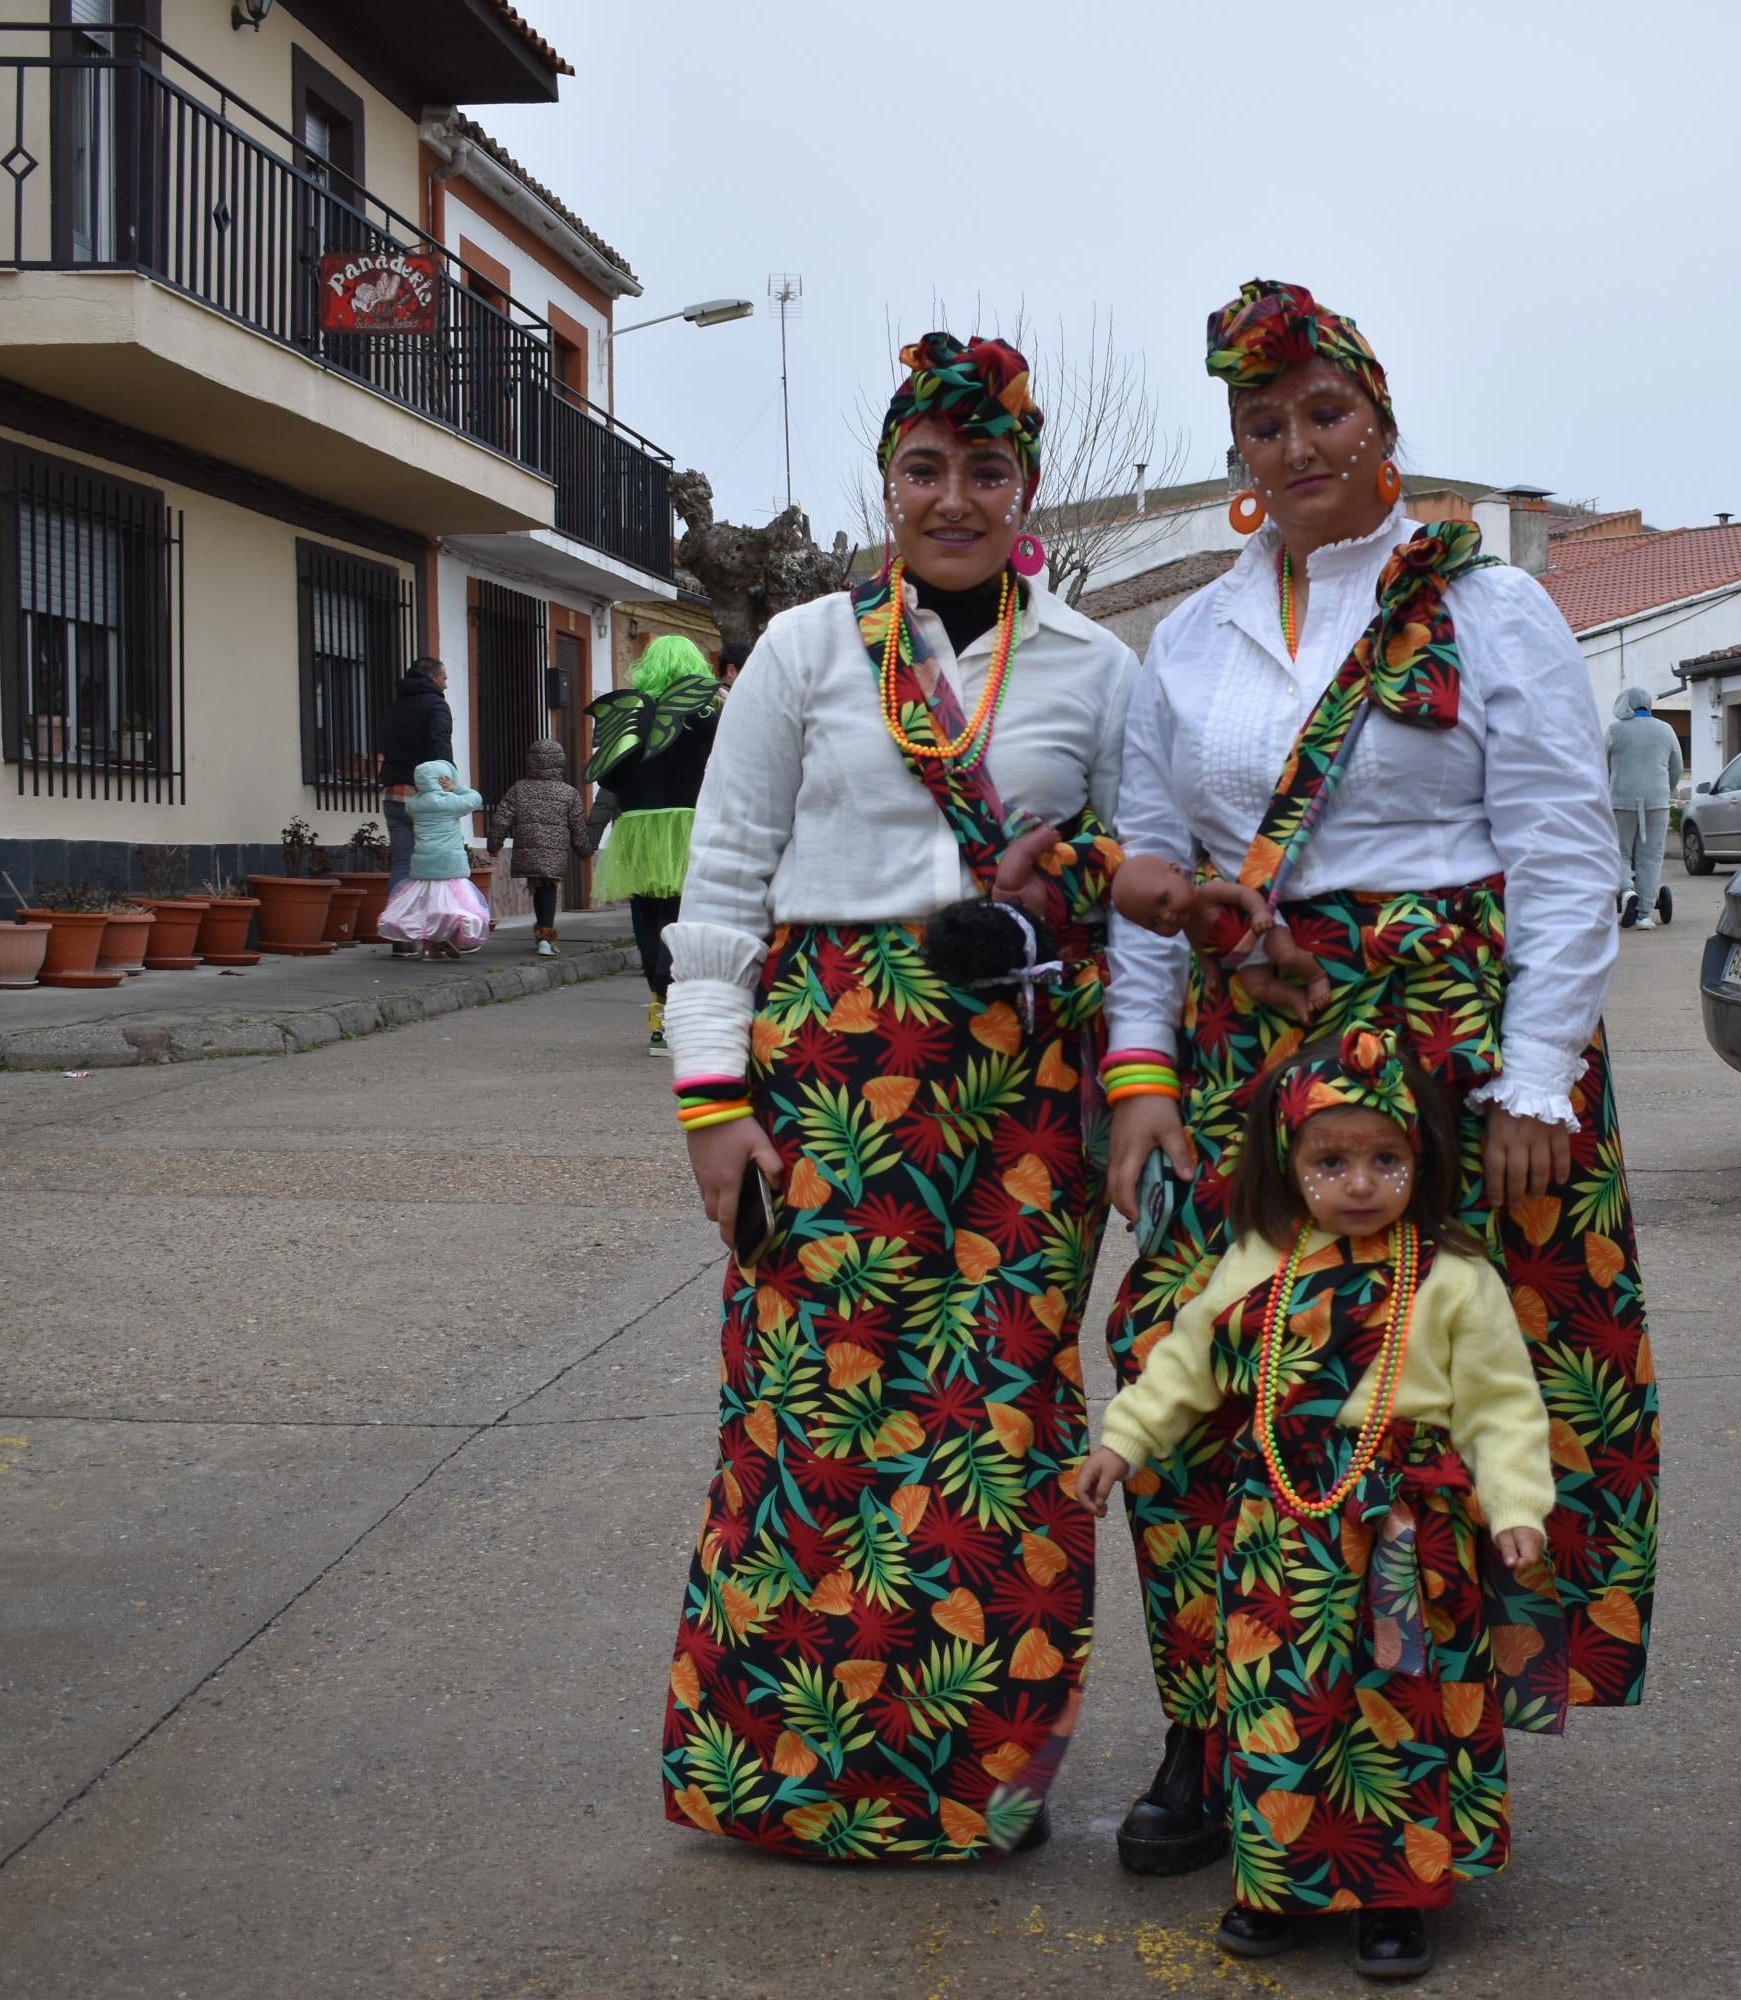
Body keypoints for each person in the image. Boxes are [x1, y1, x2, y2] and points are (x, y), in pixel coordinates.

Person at [1102, 280, 1657, 1879]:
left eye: (1324, 415)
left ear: (1384, 424)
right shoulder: (1193, 634)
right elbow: (1164, 873)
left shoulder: (1494, 614)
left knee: (1443, 1392)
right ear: (1240, 456)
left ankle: (1420, 1745)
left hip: (1450, 1046)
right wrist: (1141, 1076)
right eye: (1264, 427)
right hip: (1246, 1056)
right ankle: (1214, 1729)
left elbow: (1562, 849)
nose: (1299, 448)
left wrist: (1538, 1080)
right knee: (1196, 1363)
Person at [656, 333, 1133, 1862]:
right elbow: (722, 882)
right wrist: (710, 1101)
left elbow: (1138, 886)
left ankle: (976, 1782)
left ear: (1025, 487)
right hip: (828, 1084)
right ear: (887, 481)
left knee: (997, 1430)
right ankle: (784, 1781)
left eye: (984, 469)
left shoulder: (1093, 667)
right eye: (924, 468)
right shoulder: (805, 649)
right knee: (814, 1431)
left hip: (1015, 1097)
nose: (952, 496)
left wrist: (1134, 1073)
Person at [1079, 1030, 1550, 1980]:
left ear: (1422, 1161)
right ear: (1288, 1169)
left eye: (1387, 1159)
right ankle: (1274, 1881)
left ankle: (1394, 1898)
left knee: (1395, 1715)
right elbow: (1186, 1362)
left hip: (1404, 1544)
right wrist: (1125, 1440)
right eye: (1330, 1162)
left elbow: (1503, 1406)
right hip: (1278, 1539)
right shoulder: (1257, 1264)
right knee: (1275, 1709)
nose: (1361, 1183)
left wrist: (1516, 1507)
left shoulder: (1454, 1278)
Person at [584, 634, 724, 1054]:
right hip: (690, 825)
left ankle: (659, 1014)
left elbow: (608, 778)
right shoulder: (705, 714)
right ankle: (679, 1011)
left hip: (638, 828)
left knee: (645, 919)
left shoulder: (629, 714)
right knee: (682, 918)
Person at [485, 736, 590, 959]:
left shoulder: (519, 789)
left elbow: (502, 818)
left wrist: (494, 844)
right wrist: (584, 851)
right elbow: (578, 827)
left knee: (539, 887)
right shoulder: (568, 793)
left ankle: (543, 935)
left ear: (531, 761)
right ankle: (545, 938)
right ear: (560, 762)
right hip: (554, 852)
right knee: (547, 888)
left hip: (528, 849)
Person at [379, 656, 454, 959]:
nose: (447, 683)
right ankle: (438, 934)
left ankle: (401, 935)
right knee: (436, 865)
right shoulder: (435, 706)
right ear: (433, 677)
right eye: (445, 677)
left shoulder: (395, 707)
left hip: (394, 793)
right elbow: (440, 745)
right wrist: (449, 782)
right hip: (425, 797)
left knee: (401, 864)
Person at [378, 759, 490, 960]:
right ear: (443, 780)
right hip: (449, 865)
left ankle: (430, 948)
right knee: (454, 907)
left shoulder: (414, 804)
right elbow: (475, 799)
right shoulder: (450, 802)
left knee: (428, 908)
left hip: (424, 866)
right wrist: (456, 789)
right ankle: (451, 939)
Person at [1606, 684, 1681, 929]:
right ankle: (1644, 914)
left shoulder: (1614, 731)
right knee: (1650, 856)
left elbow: (1599, 765)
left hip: (1622, 801)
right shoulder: (1666, 730)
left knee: (1620, 852)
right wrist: (1663, 791)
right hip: (1656, 802)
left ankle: (1626, 891)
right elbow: (1676, 767)